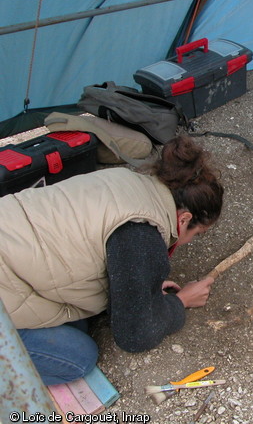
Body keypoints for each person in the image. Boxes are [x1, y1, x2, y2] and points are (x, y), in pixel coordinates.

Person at [0, 135, 224, 385]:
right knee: (77, 357)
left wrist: (143, 285)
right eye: (197, 234)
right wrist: (180, 302)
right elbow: (136, 336)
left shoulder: (128, 179)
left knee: (80, 323)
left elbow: (88, 243)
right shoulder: (141, 234)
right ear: (184, 219)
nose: (191, 240)